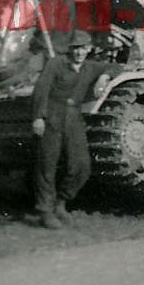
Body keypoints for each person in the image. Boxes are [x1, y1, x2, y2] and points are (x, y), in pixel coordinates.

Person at [31, 30, 118, 229]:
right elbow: (41, 90)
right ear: (70, 49)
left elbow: (116, 66)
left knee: (81, 166)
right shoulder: (56, 64)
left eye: (83, 48)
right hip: (52, 115)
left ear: (89, 49)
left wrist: (104, 77)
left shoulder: (90, 67)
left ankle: (61, 202)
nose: (79, 53)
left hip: (73, 117)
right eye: (76, 48)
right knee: (47, 165)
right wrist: (38, 117)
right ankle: (46, 211)